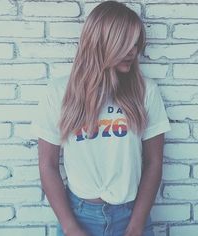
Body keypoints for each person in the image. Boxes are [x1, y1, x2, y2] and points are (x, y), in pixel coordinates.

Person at [31, 1, 171, 236]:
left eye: (136, 43)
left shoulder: (146, 91)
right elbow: (47, 165)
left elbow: (154, 162)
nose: (133, 51)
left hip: (131, 215)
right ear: (101, 42)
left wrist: (136, 226)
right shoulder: (58, 92)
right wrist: (70, 227)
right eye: (125, 43)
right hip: (78, 216)